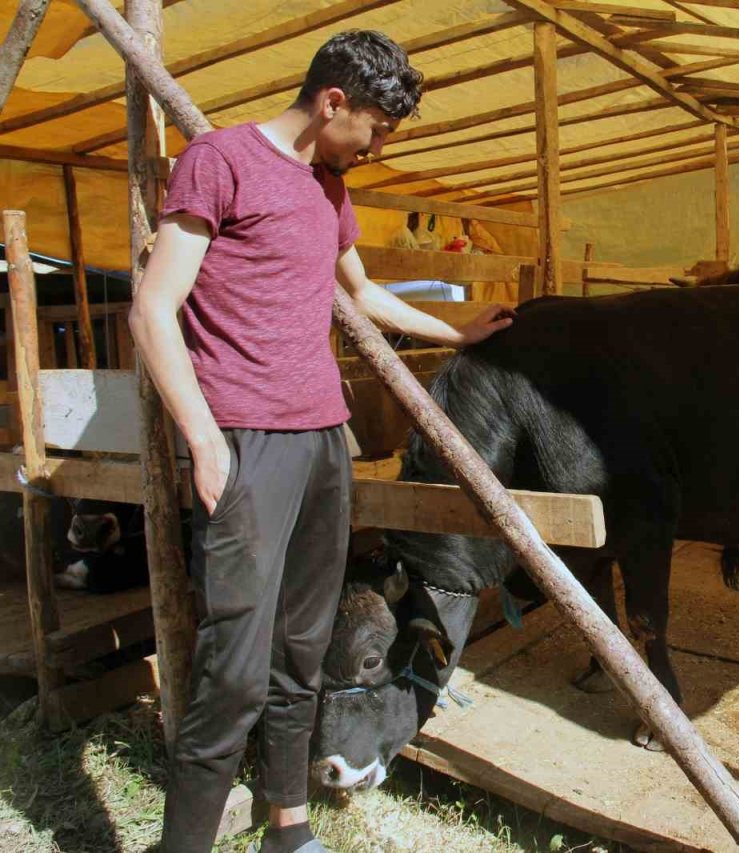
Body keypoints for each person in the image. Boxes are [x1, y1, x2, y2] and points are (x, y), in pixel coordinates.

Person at [128, 31, 513, 853]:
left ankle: (288, 827)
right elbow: (154, 309)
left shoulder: (329, 189)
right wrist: (202, 438)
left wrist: (456, 329)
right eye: (374, 127)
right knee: (233, 663)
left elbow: (364, 292)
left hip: (321, 440)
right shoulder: (220, 161)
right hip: (246, 440)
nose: (377, 147)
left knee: (303, 648)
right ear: (333, 101)